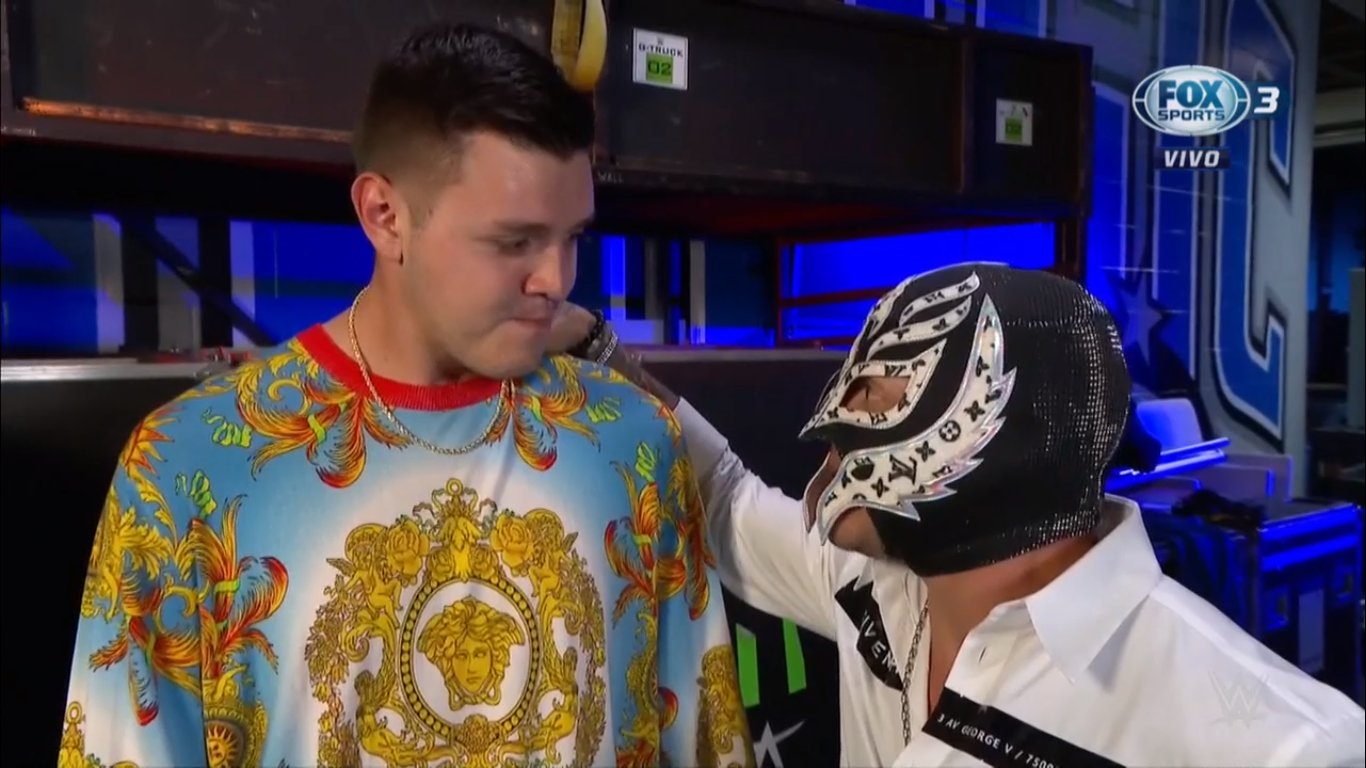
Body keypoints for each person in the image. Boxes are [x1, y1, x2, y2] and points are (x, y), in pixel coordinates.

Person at [60, 23, 753, 768]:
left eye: (573, 237)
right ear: (384, 216)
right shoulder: (186, 471)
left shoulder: (631, 442)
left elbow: (704, 740)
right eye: (514, 241)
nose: (556, 279)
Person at [553, 262, 1366, 767]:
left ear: (1004, 428)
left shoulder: (1280, 745)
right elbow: (726, 497)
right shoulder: (872, 584)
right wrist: (594, 345)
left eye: (881, 393)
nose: (837, 419)